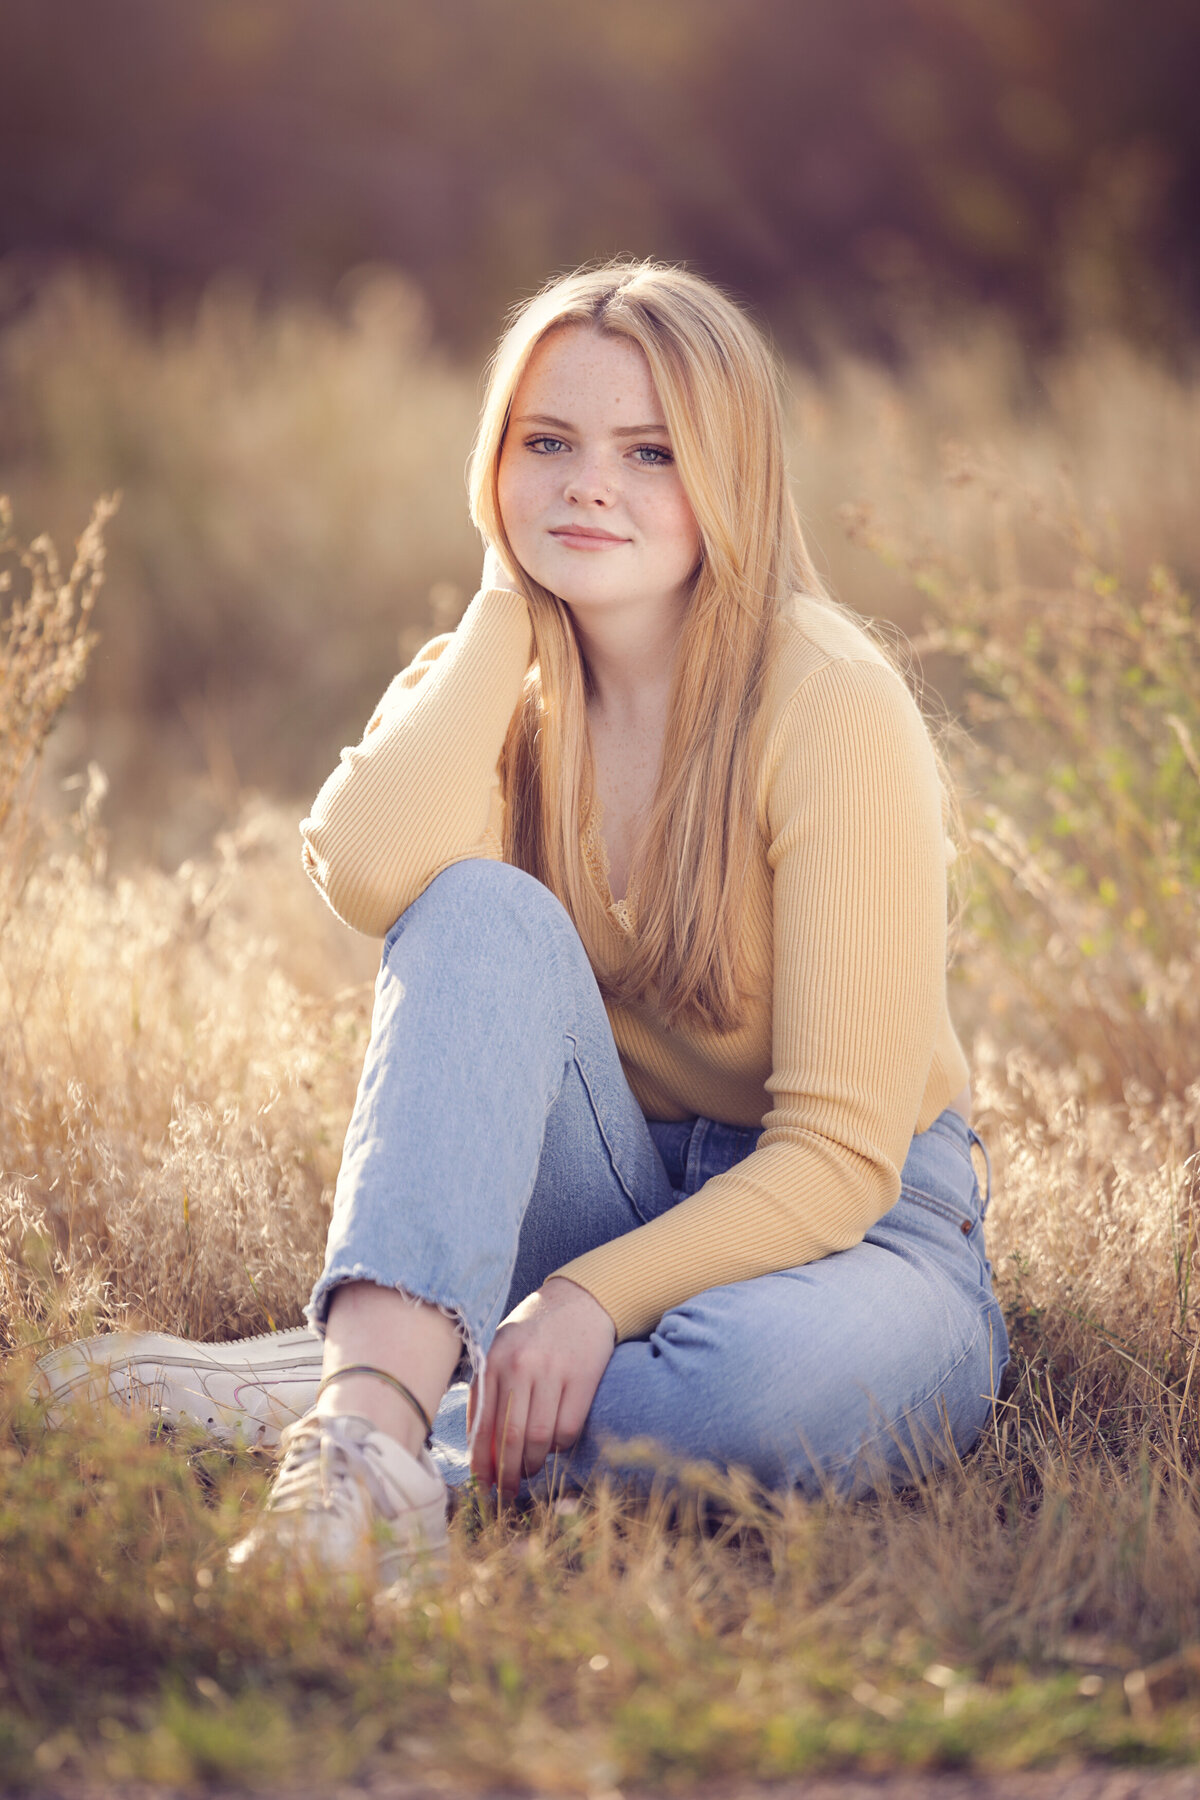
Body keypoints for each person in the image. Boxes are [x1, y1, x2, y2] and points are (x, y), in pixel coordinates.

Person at [35, 261, 1008, 1594]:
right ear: (494, 466)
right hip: (604, 1182)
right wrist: (504, 597)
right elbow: (372, 870)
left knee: (764, 1403)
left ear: (733, 474)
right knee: (478, 906)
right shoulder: (492, 679)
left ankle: (368, 1397)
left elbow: (840, 1155)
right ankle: (370, 1454)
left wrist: (586, 1301)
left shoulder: (831, 701)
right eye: (545, 444)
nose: (587, 484)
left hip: (862, 1232)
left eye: (649, 452)